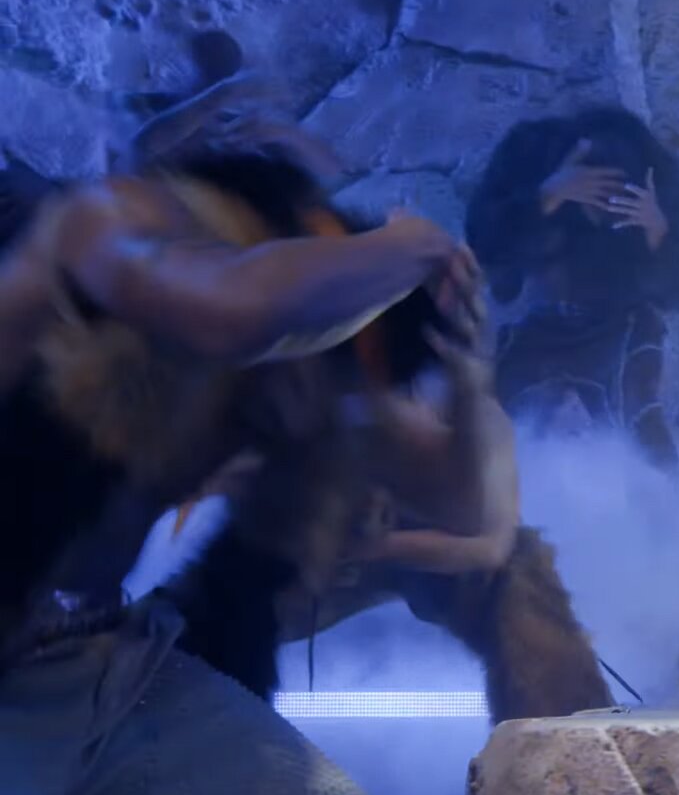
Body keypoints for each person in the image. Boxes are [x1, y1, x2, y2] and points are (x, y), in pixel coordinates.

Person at [0, 148, 463, 795]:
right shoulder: (108, 222)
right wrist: (411, 246)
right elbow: (235, 310)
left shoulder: (267, 412)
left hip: (95, 674)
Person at [164, 259, 613, 726]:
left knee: (520, 573)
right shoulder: (322, 397)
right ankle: (159, 716)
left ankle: (569, 736)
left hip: (421, 564)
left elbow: (492, 547)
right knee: (209, 606)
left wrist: (374, 547)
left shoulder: (476, 415)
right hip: (323, 564)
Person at [466, 106, 679, 546]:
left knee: (638, 415)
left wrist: (659, 232)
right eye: (594, 197)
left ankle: (670, 557)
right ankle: (493, 546)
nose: (600, 207)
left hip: (620, 320)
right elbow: (484, 243)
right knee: (497, 424)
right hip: (537, 323)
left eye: (610, 202)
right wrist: (546, 197)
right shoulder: (531, 155)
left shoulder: (655, 174)